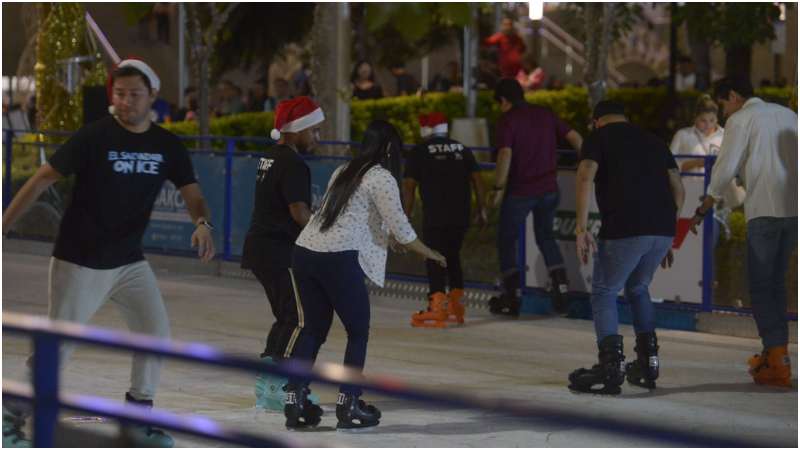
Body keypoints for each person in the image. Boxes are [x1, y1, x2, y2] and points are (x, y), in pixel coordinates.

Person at [1, 59, 216, 447]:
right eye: (119, 94)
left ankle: (137, 417)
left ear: (153, 95)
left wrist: (202, 224)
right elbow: (42, 178)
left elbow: (193, 193)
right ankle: (10, 414)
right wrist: (3, 224)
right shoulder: (94, 136)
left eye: (135, 94)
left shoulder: (166, 145)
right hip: (79, 258)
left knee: (155, 333)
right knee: (61, 345)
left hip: (129, 261)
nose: (126, 102)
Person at [283, 120, 446, 430]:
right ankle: (349, 404)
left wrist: (390, 239)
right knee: (357, 332)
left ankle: (295, 399)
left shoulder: (343, 170)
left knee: (313, 330)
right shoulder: (381, 177)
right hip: (337, 257)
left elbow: (361, 218)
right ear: (388, 149)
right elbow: (401, 227)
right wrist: (432, 254)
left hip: (305, 251)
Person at [569, 100, 685, 395]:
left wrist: (581, 228)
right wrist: (666, 230)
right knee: (638, 288)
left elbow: (584, 175)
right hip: (661, 228)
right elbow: (677, 185)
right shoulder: (653, 140)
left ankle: (611, 367)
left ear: (597, 121)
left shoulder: (599, 138)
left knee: (605, 292)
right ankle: (648, 363)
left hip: (625, 228)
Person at [689, 77, 797, 388]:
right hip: (794, 212)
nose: (723, 113)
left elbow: (725, 167)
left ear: (734, 96)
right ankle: (778, 354)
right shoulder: (790, 115)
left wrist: (705, 204)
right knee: (777, 283)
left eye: (723, 104)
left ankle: (777, 360)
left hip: (764, 211)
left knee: (762, 287)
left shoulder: (742, 119)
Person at [241, 97, 323, 411]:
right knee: (303, 319)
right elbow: (299, 212)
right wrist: (324, 235)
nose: (317, 137)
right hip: (279, 250)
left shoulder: (271, 157)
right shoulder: (294, 163)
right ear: (298, 129)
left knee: (288, 316)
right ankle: (282, 385)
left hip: (262, 248)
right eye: (313, 130)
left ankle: (267, 383)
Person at [487, 78, 583, 316]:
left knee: (507, 239)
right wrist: (587, 163)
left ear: (504, 100)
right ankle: (561, 289)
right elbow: (575, 137)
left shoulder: (507, 120)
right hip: (550, 189)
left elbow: (505, 154)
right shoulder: (545, 114)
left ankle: (512, 295)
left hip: (521, 191)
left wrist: (497, 187)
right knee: (546, 237)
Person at [403, 112, 487, 327]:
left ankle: (437, 305)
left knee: (434, 256)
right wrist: (482, 208)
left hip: (436, 214)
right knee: (453, 255)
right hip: (461, 214)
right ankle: (457, 306)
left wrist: (405, 215)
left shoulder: (419, 151)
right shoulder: (462, 149)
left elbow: (409, 186)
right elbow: (478, 179)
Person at [670, 94, 745, 244]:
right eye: (703, 121)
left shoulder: (726, 135)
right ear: (695, 118)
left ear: (717, 118)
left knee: (711, 234)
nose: (708, 125)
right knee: (686, 237)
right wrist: (695, 163)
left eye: (712, 120)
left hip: (716, 195)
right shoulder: (684, 135)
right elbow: (671, 166)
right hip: (688, 192)